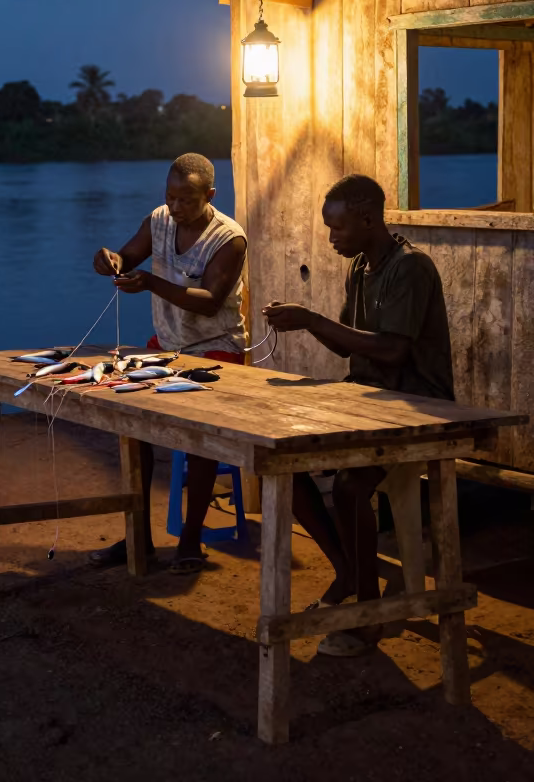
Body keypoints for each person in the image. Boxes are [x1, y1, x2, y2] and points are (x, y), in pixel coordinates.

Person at [264, 173, 455, 656]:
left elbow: (392, 352)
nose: (331, 239)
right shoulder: (361, 268)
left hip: (417, 404)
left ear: (369, 219)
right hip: (369, 396)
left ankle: (368, 618)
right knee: (283, 461)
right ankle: (348, 570)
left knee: (351, 486)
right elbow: (353, 345)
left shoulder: (411, 268)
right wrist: (303, 321)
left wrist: (313, 320)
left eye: (339, 229)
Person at [89, 152, 247, 573]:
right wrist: (111, 261)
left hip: (218, 349)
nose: (175, 207)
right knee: (131, 424)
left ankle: (191, 540)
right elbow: (126, 256)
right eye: (170, 197)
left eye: (186, 199)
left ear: (210, 195)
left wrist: (152, 284)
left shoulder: (229, 239)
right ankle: (137, 534)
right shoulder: (158, 220)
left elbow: (212, 303)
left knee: (198, 438)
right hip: (166, 346)